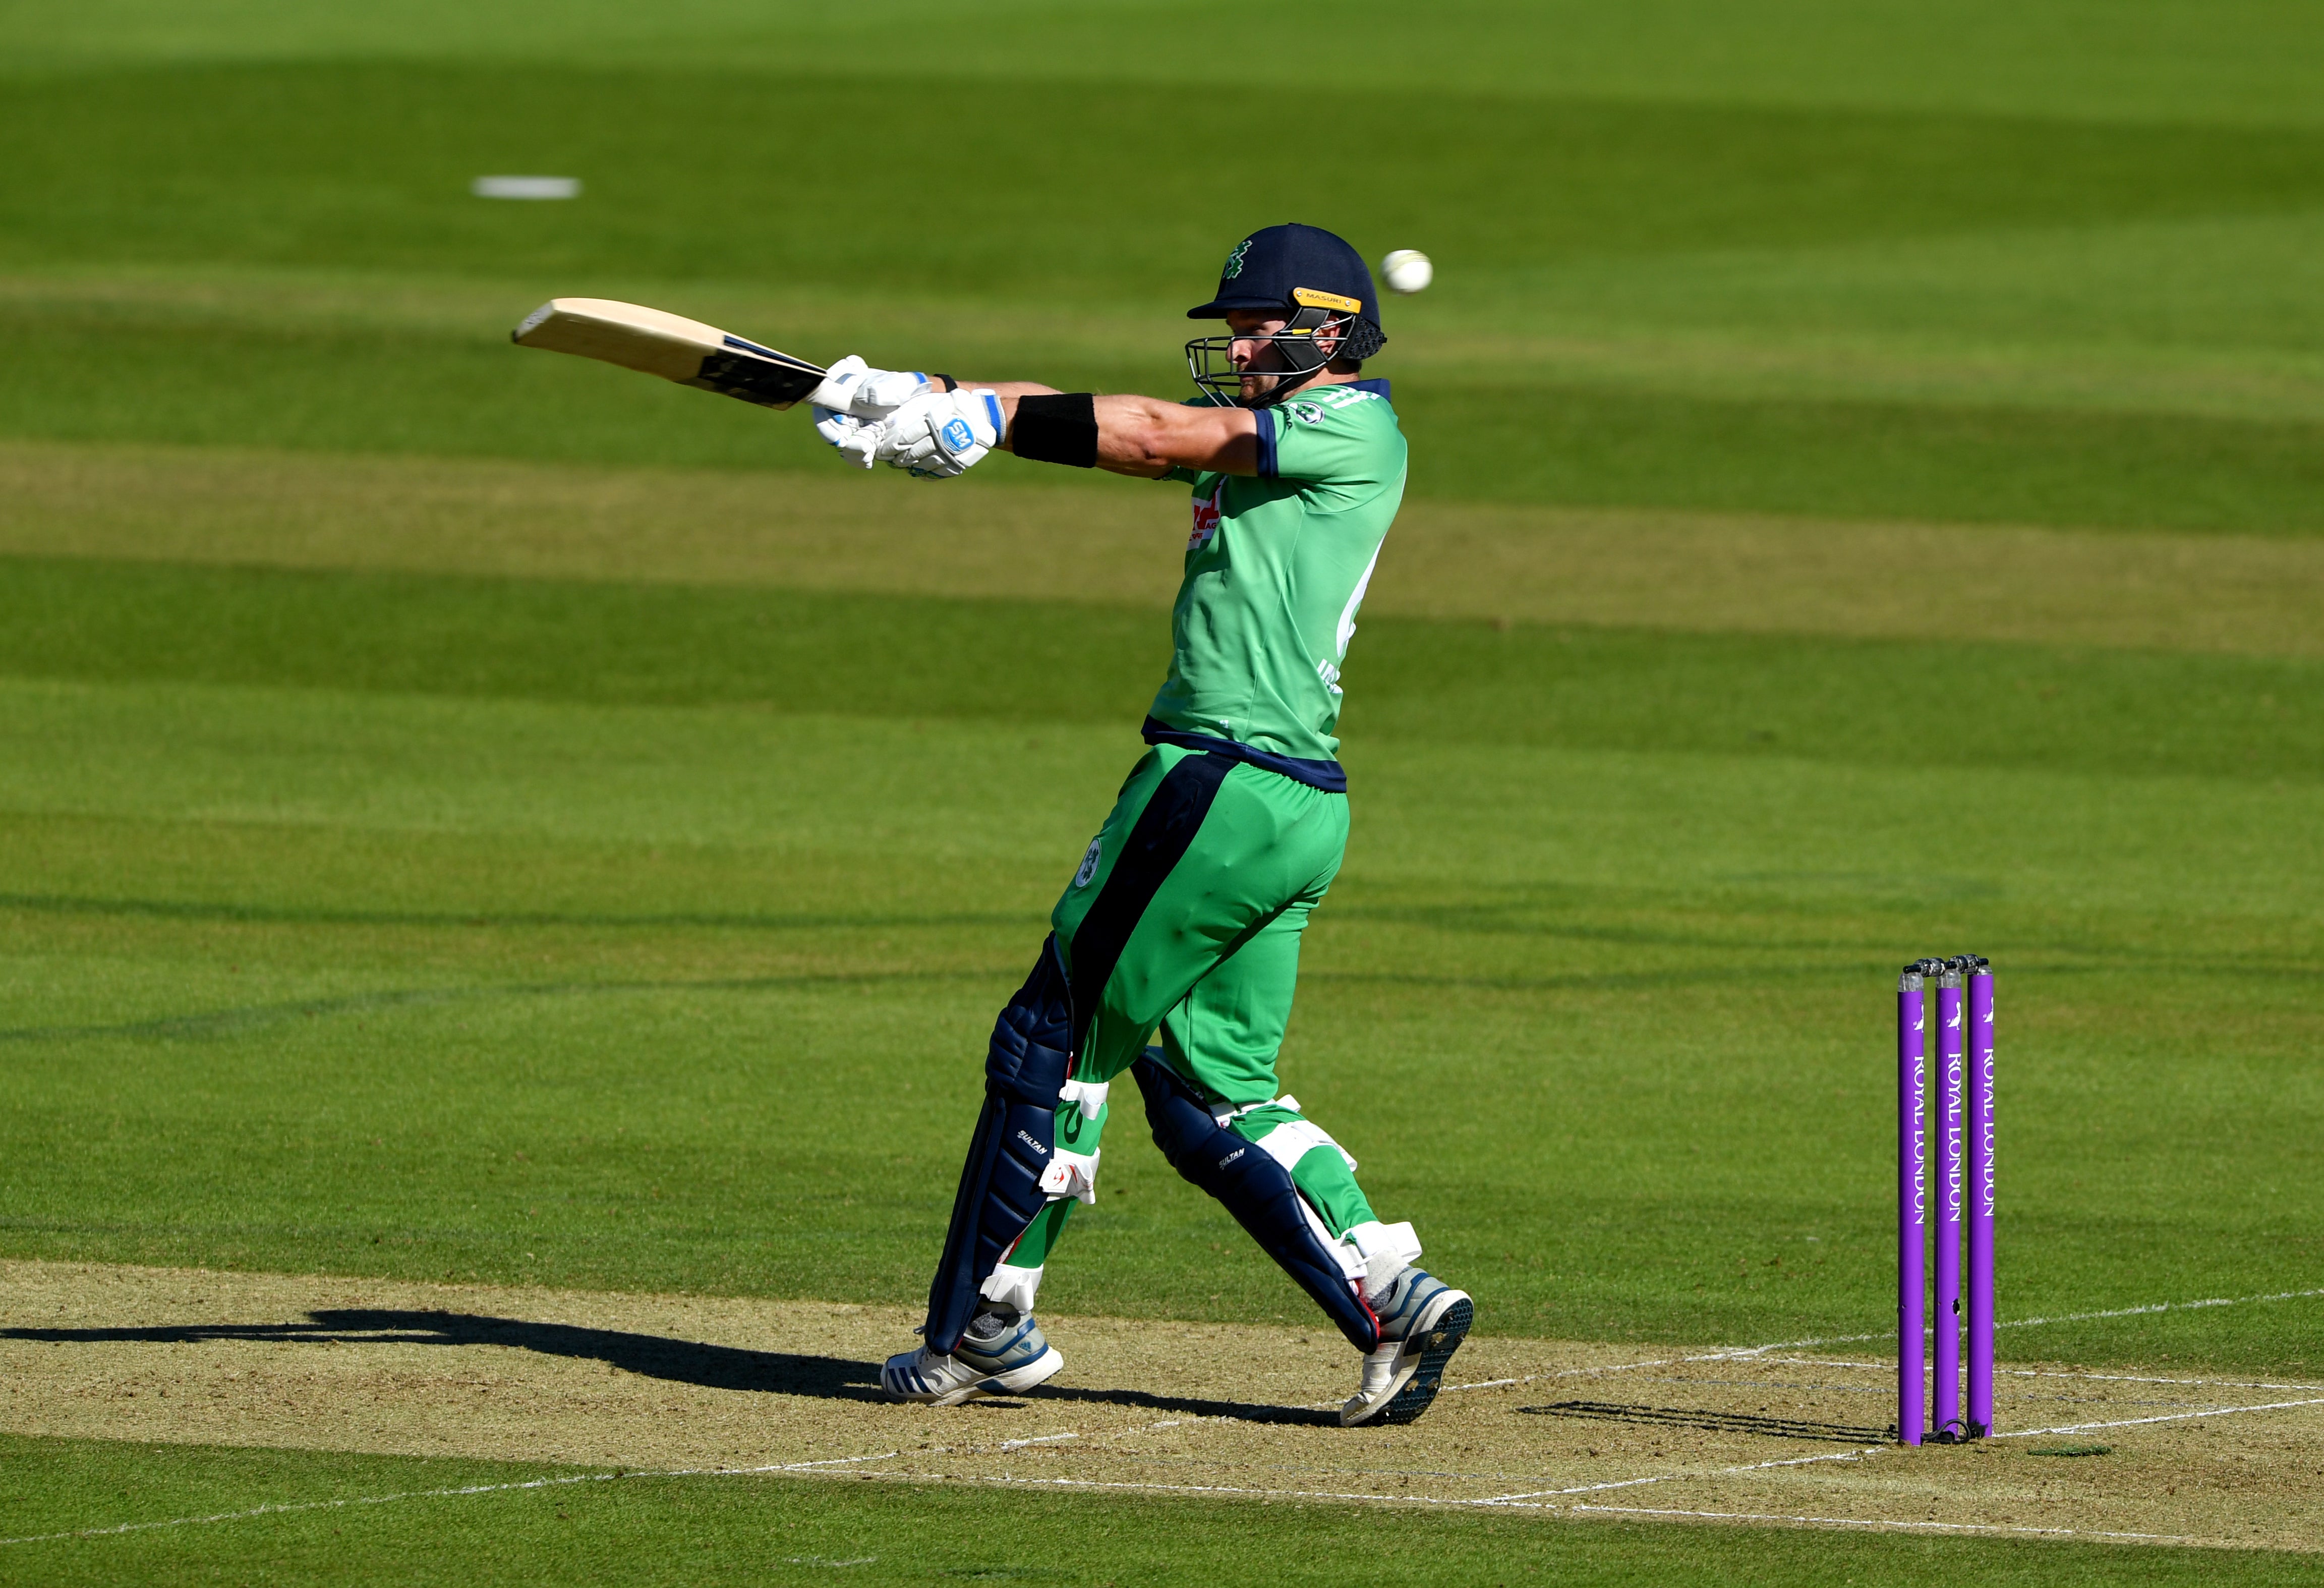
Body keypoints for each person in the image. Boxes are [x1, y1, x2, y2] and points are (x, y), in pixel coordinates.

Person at [804, 224, 1470, 1428]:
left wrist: (991, 422)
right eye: (1233, 327)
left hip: (1217, 782)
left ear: (1335, 325)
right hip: (1290, 804)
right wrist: (935, 396)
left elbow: (1161, 433)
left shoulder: (1356, 426)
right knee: (1211, 1089)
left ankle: (978, 1326)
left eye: (1263, 324)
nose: (1243, 342)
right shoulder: (1282, 429)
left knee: (1051, 1036)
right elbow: (1127, 423)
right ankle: (1392, 1290)